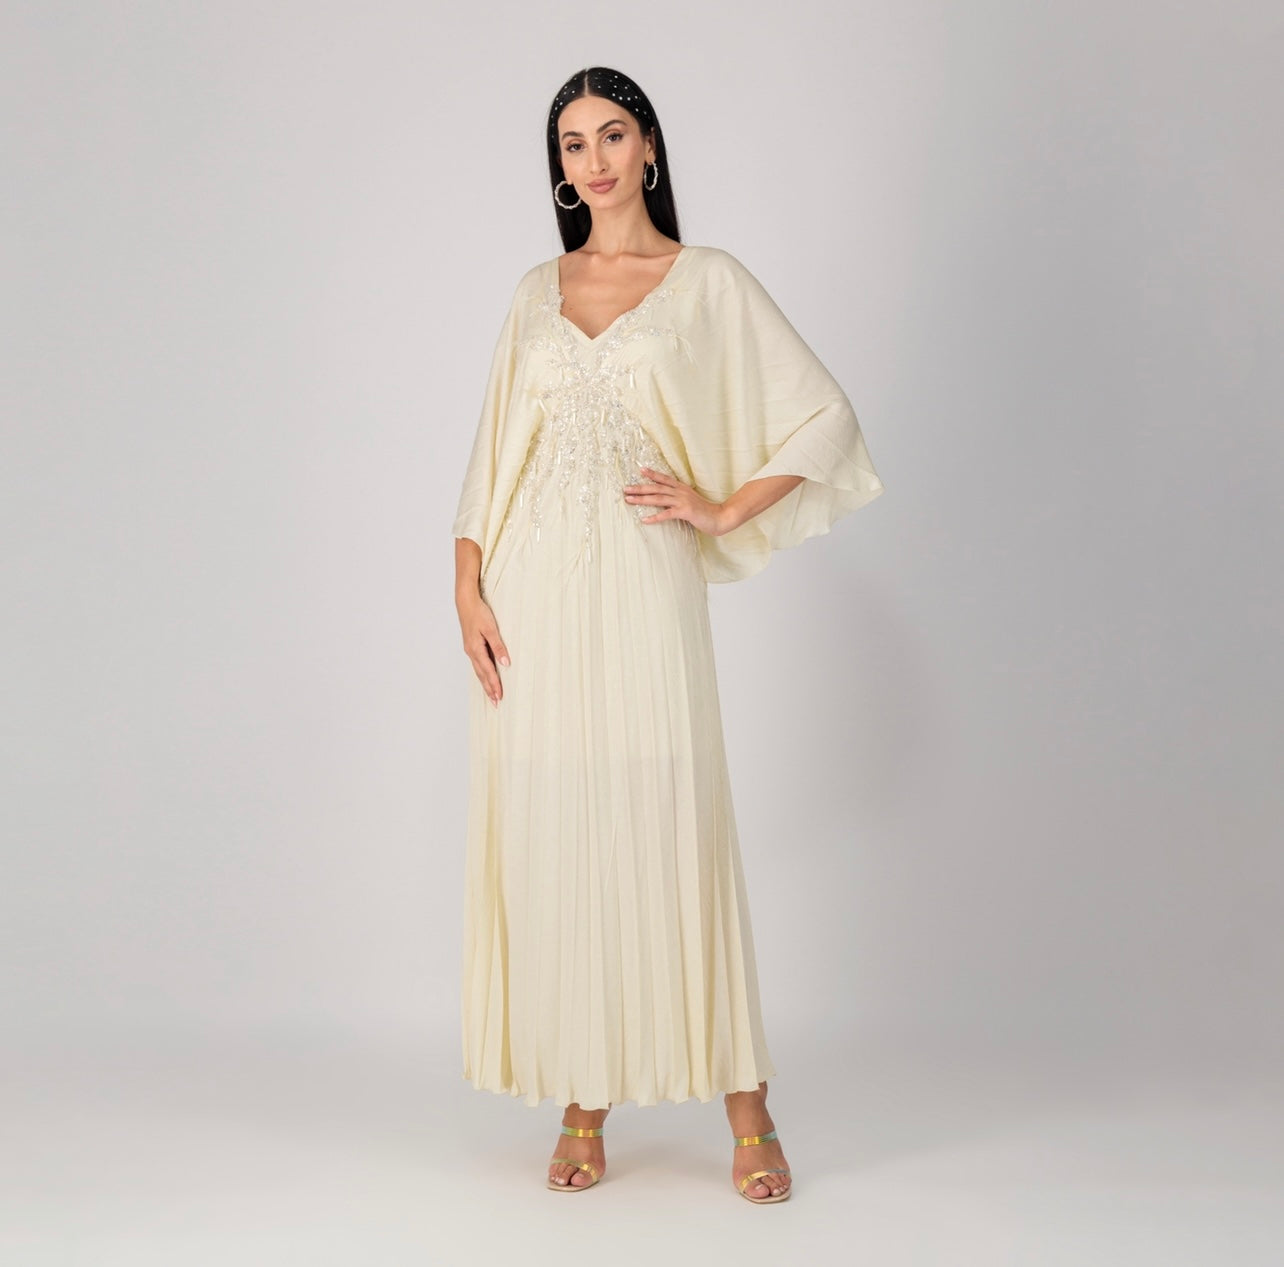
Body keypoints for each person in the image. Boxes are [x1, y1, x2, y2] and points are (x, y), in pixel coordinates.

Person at [452, 66, 883, 1204]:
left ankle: (747, 1101)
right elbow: (492, 452)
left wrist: (725, 508)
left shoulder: (707, 280)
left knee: (673, 816)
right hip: (533, 592)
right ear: (559, 167)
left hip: (646, 581)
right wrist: (468, 584)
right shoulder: (535, 290)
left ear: (648, 146)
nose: (593, 160)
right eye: (572, 143)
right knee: (558, 825)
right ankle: (583, 1092)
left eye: (612, 135)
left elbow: (825, 413)